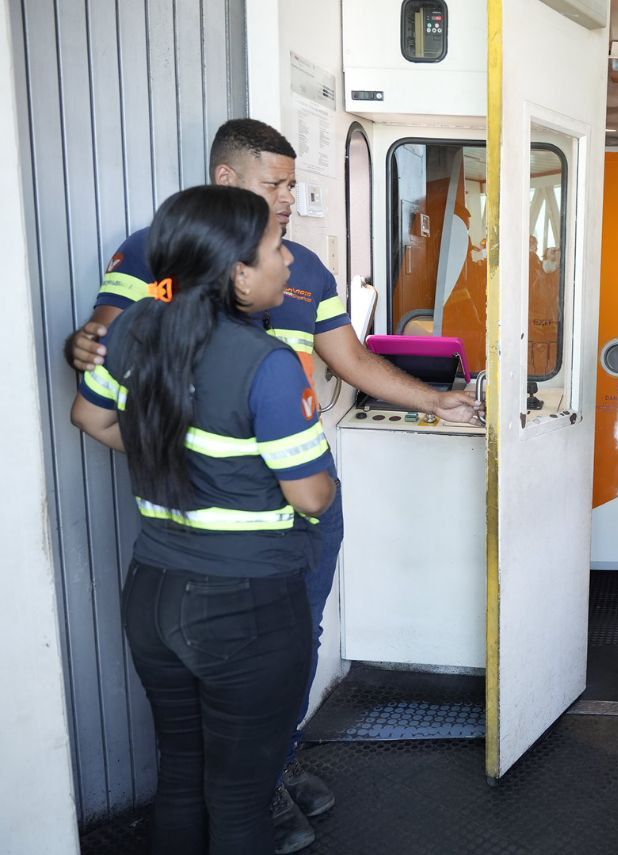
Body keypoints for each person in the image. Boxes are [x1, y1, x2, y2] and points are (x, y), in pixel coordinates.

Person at [64, 119, 481, 853]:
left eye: (293, 184)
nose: (290, 202)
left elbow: (350, 358)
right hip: (253, 542)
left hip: (181, 561)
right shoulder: (167, 257)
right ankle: (257, 781)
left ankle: (273, 764)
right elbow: (104, 335)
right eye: (276, 186)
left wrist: (434, 400)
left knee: (273, 667)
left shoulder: (301, 271)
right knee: (237, 784)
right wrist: (215, 454)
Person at [70, 186, 336, 854]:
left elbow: (91, 417)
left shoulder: (132, 329)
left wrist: (175, 452)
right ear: (239, 273)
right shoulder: (268, 364)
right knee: (241, 801)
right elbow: (311, 496)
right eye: (276, 248)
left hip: (153, 592)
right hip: (246, 607)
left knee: (182, 777)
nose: (287, 261)